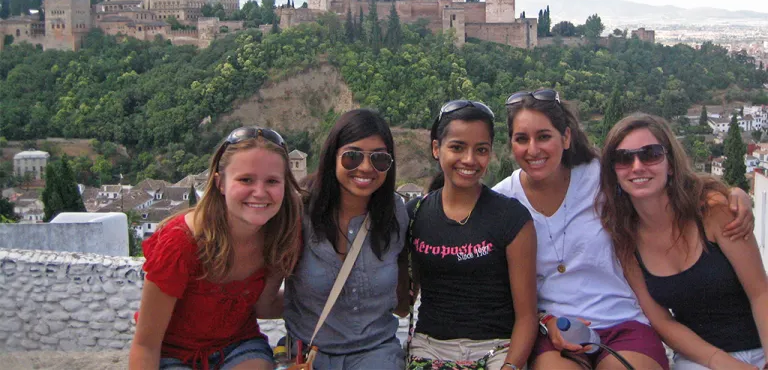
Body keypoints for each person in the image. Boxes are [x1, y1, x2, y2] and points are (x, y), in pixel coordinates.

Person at [492, 89, 754, 370]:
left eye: (544, 136)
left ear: (566, 137)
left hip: (624, 321)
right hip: (556, 331)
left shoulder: (600, 177)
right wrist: (545, 321)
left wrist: (733, 193)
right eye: (522, 139)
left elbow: (659, 185)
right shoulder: (502, 202)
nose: (533, 149)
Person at [598, 113, 768, 370]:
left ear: (671, 164)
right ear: (613, 171)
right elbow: (663, 322)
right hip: (701, 360)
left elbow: (760, 292)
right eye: (623, 158)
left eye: (650, 154)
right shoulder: (626, 240)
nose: (637, 166)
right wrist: (728, 365)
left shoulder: (713, 212)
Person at [129, 126, 303, 370]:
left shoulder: (281, 234)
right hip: (173, 353)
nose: (260, 192)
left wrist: (329, 301)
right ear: (220, 183)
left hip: (238, 346)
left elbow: (264, 305)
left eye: (272, 181)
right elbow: (146, 344)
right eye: (246, 179)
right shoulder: (180, 243)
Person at [407, 100, 538, 370]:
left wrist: (511, 366)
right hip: (430, 347)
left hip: (498, 349)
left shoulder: (511, 218)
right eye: (457, 147)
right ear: (436, 148)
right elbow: (401, 300)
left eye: (481, 150)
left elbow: (527, 316)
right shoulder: (414, 215)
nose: (469, 160)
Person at [283, 108, 410, 370]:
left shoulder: (397, 214)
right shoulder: (299, 212)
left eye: (379, 159)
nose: (365, 167)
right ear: (333, 157)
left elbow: (404, 301)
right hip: (308, 355)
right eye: (352, 156)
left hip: (376, 354)